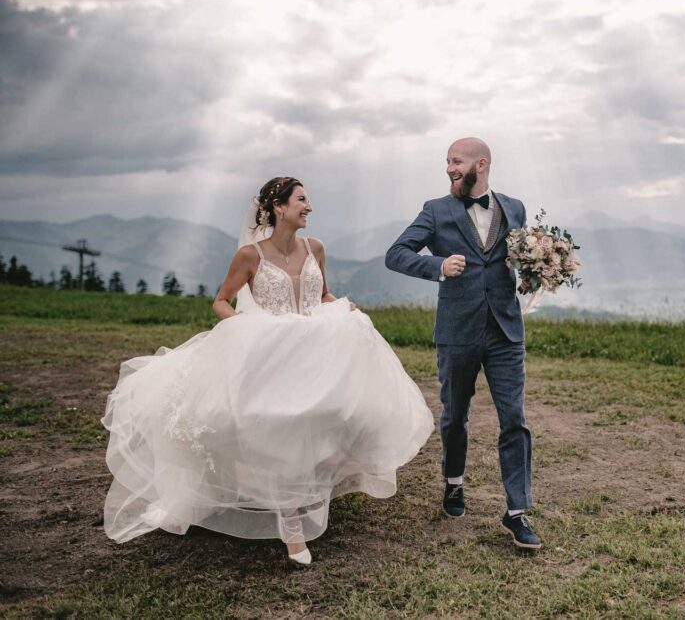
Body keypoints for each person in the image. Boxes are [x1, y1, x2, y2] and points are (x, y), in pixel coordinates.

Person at [102, 177, 434, 565]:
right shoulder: (250, 255)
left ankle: (310, 487)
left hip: (314, 350)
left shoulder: (316, 248)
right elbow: (221, 302)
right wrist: (246, 325)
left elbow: (322, 293)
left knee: (341, 413)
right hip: (271, 353)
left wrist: (345, 308)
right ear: (279, 207)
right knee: (281, 427)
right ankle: (292, 528)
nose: (309, 207)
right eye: (302, 200)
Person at [385, 138, 541, 549]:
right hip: (457, 331)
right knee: (455, 415)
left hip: (506, 331)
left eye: (456, 161)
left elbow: (521, 259)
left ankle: (517, 512)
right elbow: (396, 253)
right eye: (447, 162)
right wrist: (437, 265)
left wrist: (538, 271)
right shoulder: (436, 210)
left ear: (481, 164)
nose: (450, 168)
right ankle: (454, 482)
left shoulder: (515, 207)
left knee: (515, 419)